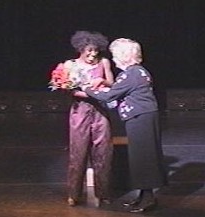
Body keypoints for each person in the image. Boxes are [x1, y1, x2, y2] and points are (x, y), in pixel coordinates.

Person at [82, 38, 167, 213]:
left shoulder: (132, 74)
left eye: (115, 55)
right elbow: (118, 90)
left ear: (123, 56)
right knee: (141, 156)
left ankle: (148, 199)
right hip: (142, 116)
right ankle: (144, 195)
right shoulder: (136, 72)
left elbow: (109, 96)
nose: (113, 60)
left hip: (141, 117)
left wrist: (86, 88)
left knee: (143, 157)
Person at [62, 31, 114, 207]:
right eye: (89, 51)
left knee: (103, 152)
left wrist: (102, 82)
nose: (93, 54)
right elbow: (69, 89)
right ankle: (74, 193)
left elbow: (112, 84)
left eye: (96, 51)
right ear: (80, 49)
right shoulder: (70, 65)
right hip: (80, 111)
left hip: (100, 111)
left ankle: (103, 193)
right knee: (78, 152)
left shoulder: (104, 62)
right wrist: (89, 93)